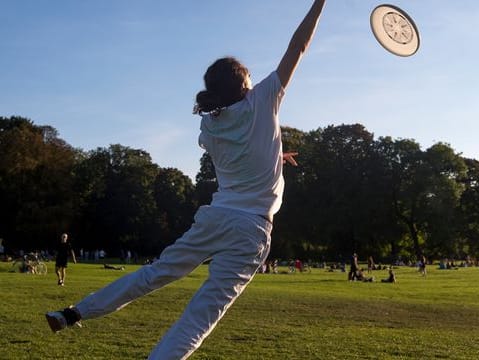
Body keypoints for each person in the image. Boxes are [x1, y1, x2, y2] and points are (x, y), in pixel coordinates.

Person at [45, 2, 326, 359]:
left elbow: (240, 151)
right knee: (200, 316)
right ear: (244, 85)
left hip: (216, 217)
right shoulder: (262, 100)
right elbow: (298, 46)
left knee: (153, 274)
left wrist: (276, 155)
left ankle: (72, 313)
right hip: (249, 229)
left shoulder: (209, 125)